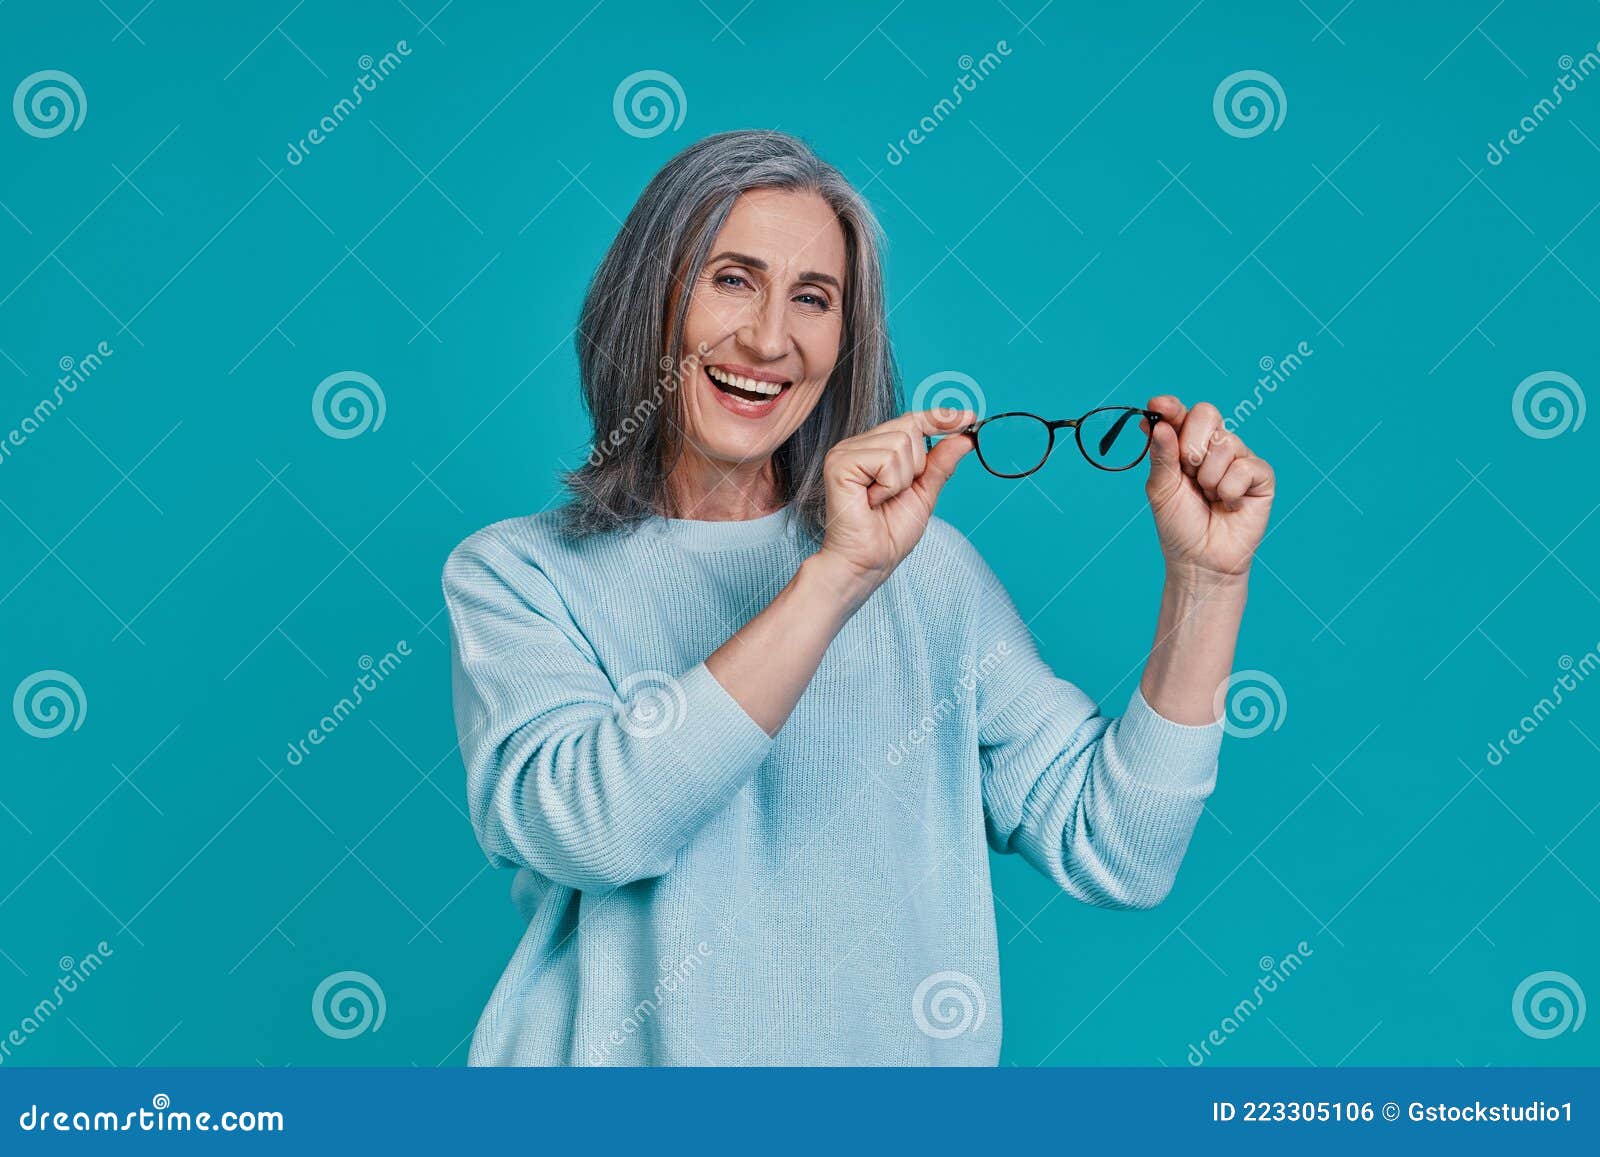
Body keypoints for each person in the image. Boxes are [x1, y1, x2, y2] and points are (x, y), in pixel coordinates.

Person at [443, 130, 1275, 1065]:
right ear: (649, 299)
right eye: (731, 278)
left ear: (846, 339)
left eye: (813, 298)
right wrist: (835, 578)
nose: (767, 338)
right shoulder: (517, 574)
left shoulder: (931, 577)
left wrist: (1210, 583)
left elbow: (1121, 846)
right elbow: (600, 828)